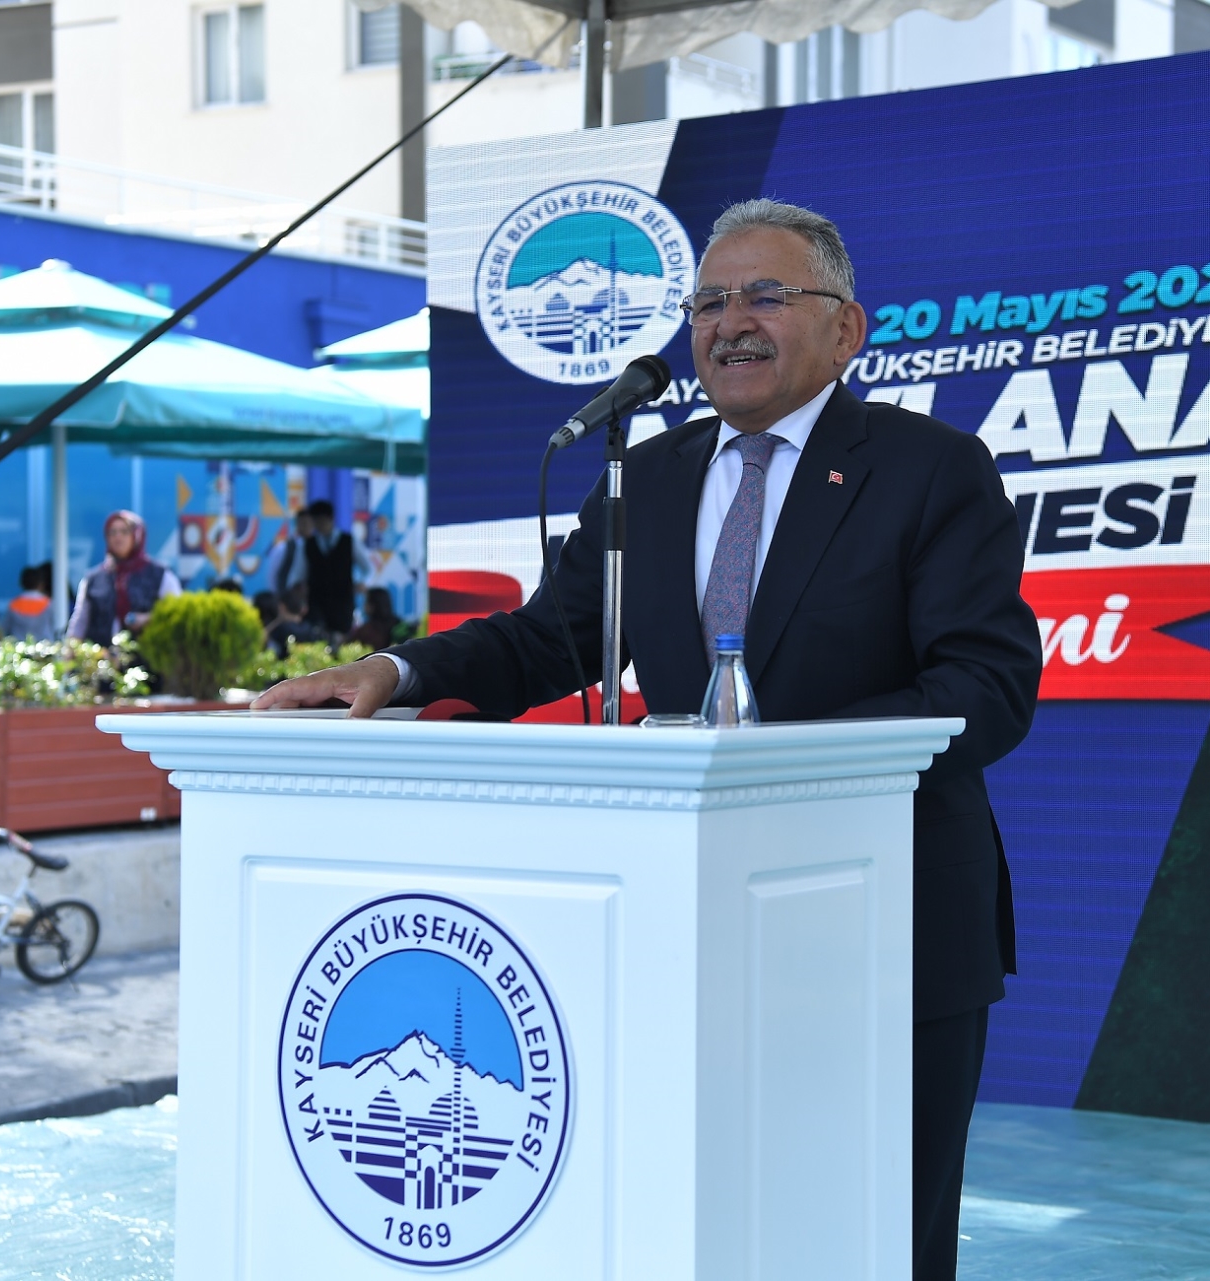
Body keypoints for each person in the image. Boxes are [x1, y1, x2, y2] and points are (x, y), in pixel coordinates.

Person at [255, 198, 1041, 1281]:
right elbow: (549, 639)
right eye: (708, 303)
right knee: (708, 1229)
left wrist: (766, 762)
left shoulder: (931, 469)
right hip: (694, 930)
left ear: (846, 330)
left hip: (887, 926)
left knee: (878, 1236)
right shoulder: (648, 475)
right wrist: (398, 672)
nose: (730, 322)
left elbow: (985, 688)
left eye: (765, 295)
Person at [67, 510, 182, 645]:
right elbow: (80, 622)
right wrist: (71, 648)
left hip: (147, 654)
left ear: (137, 535)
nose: (118, 537)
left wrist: (147, 618)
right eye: (112, 532)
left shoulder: (160, 575)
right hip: (101, 656)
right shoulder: (93, 578)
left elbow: (176, 613)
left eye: (124, 531)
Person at [285, 498, 368, 638]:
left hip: (343, 602)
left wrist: (362, 582)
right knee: (317, 637)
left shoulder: (349, 541)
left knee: (343, 638)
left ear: (330, 518)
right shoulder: (307, 544)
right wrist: (296, 591)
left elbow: (368, 567)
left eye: (321, 520)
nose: (318, 524)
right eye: (315, 521)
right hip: (316, 603)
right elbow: (297, 574)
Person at [263, 586, 320, 658]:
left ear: (282, 607)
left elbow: (262, 637)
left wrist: (278, 620)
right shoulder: (310, 628)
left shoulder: (280, 630)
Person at [270, 507, 313, 593]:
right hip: (287, 596)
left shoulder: (317, 547)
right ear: (297, 523)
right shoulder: (283, 548)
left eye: (310, 523)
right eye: (304, 523)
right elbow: (272, 576)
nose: (307, 526)